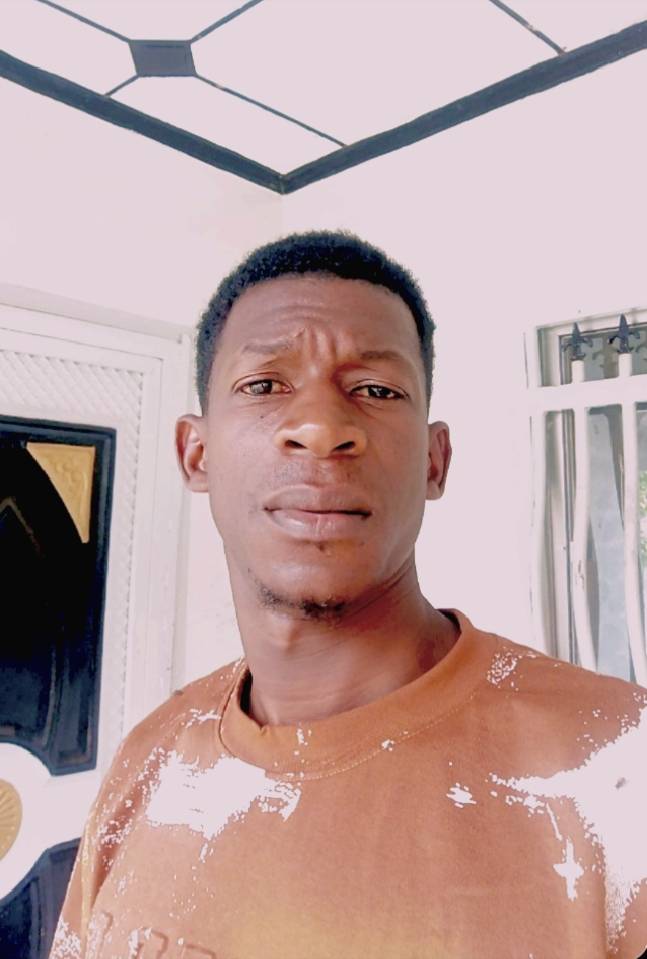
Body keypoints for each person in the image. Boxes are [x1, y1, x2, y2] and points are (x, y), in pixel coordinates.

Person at [51, 231, 647, 959]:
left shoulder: (622, 771)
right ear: (195, 453)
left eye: (375, 390)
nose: (321, 428)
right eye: (264, 385)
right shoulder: (148, 757)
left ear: (434, 461)